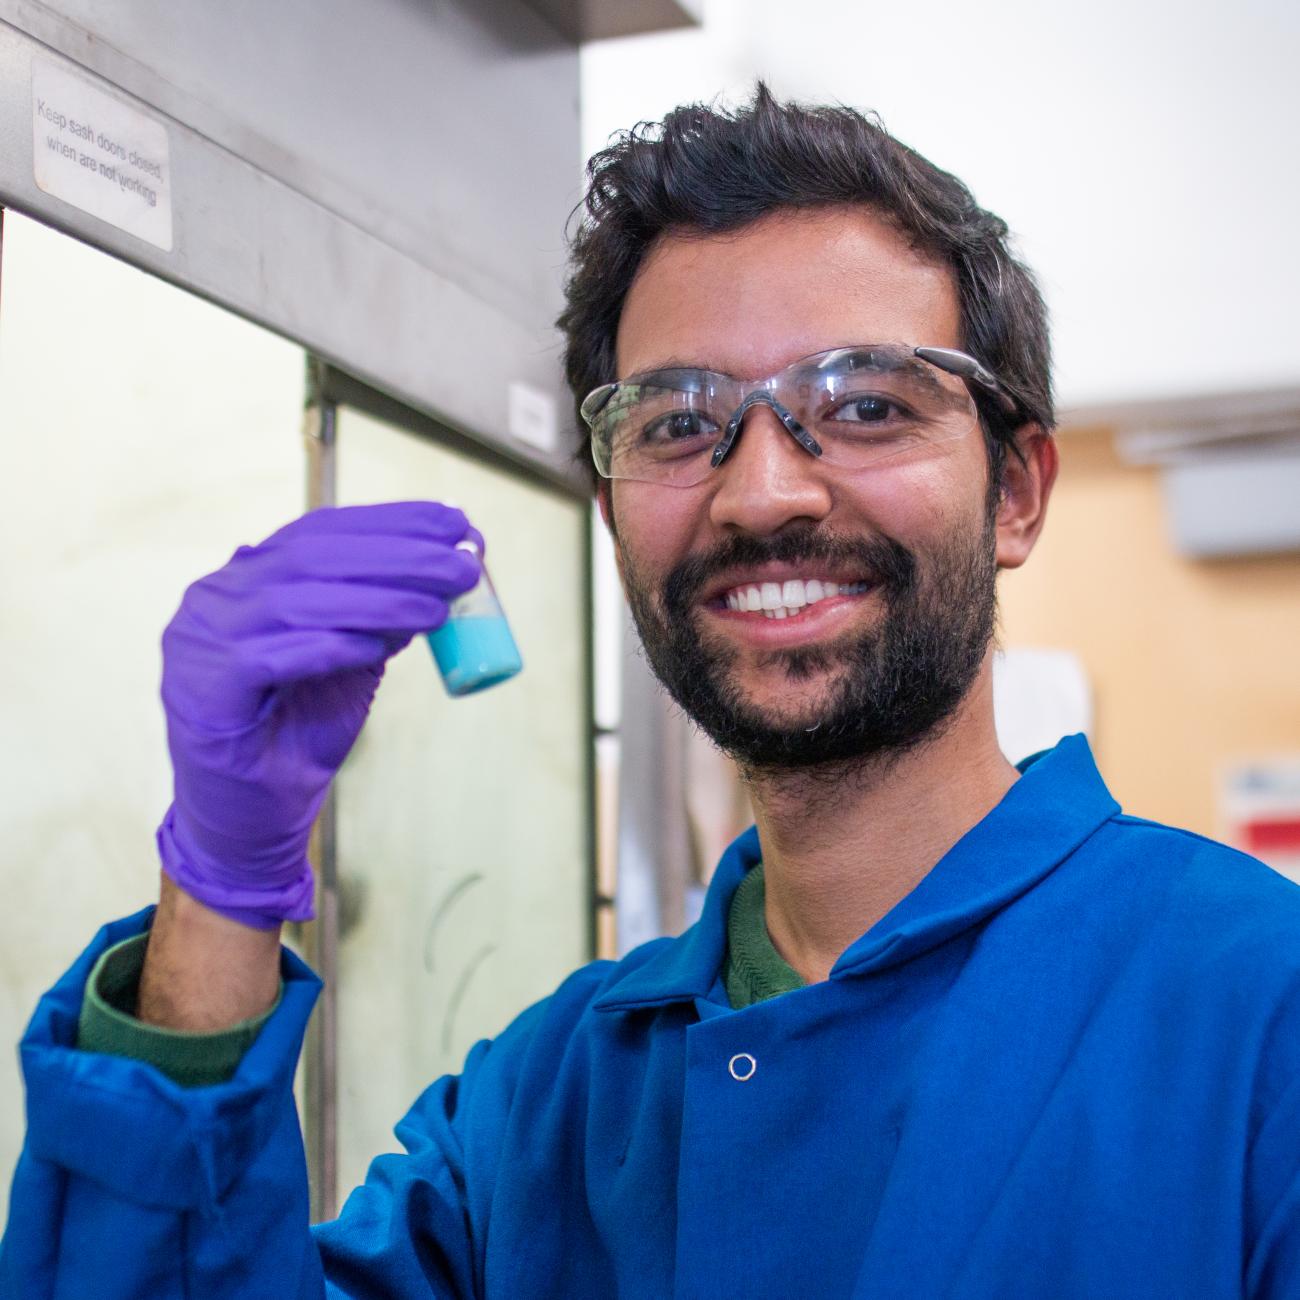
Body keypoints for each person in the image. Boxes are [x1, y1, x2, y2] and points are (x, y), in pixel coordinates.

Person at [3, 85, 1299, 1300]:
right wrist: (223, 886)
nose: (764, 493)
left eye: (861, 406)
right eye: (679, 424)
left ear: (1016, 491)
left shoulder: (1253, 1014)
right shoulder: (544, 1112)